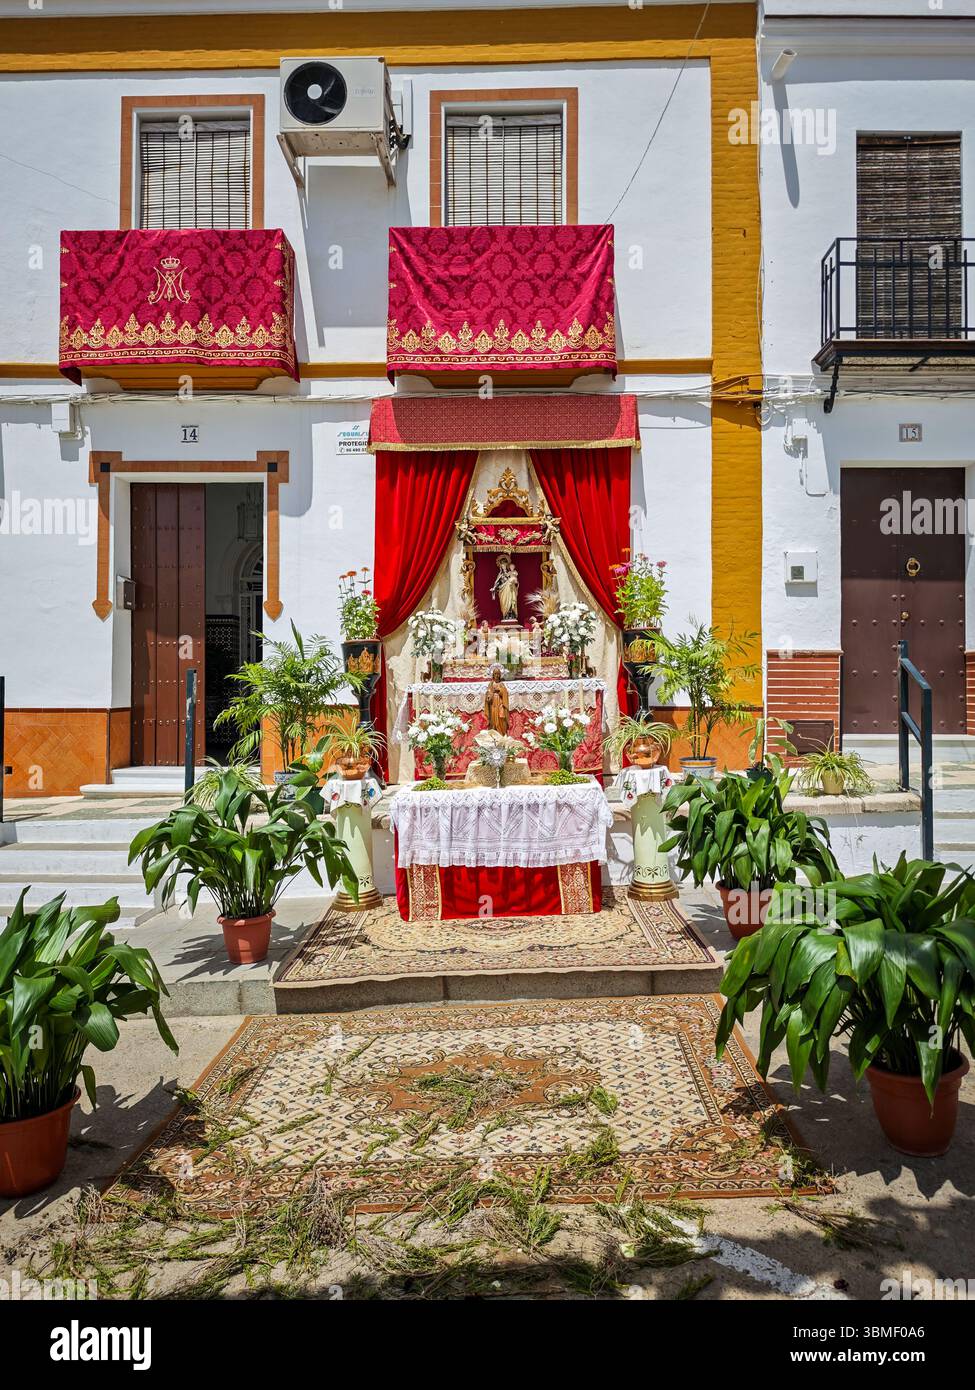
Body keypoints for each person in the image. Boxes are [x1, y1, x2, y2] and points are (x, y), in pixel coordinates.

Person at [490, 553, 519, 622]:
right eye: (502, 565)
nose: (504, 566)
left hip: (510, 590)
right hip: (503, 591)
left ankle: (512, 616)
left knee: (512, 602)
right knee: (504, 604)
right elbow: (497, 583)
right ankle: (505, 616)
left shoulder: (511, 573)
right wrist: (494, 588)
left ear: (507, 565)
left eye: (505, 565)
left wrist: (515, 582)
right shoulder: (500, 575)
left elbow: (515, 581)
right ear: (500, 566)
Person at [484, 665, 510, 735]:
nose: (497, 675)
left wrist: (500, 690)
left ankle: (501, 733)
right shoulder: (491, 684)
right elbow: (488, 693)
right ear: (493, 674)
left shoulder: (501, 684)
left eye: (498, 674)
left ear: (500, 675)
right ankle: (494, 734)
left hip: (500, 702)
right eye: (495, 673)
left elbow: (505, 693)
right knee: (493, 718)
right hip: (493, 703)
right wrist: (489, 697)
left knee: (501, 717)